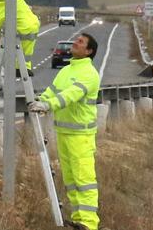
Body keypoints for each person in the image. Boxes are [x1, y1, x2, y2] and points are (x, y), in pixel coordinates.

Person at [28, 33, 101, 230]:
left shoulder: (89, 74)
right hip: (64, 133)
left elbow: (70, 95)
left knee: (83, 180)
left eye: (81, 42)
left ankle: (89, 223)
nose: (75, 42)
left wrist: (47, 105)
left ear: (89, 51)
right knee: (70, 180)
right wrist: (41, 100)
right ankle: (78, 219)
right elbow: (53, 91)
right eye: (76, 39)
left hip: (81, 136)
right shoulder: (66, 71)